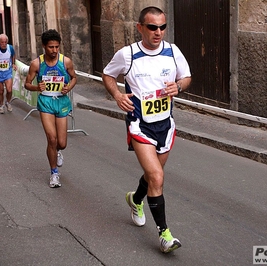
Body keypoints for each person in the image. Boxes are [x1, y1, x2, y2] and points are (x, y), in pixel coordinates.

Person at [102, 6, 191, 253]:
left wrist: (179, 87)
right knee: (158, 178)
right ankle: (165, 235)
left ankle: (135, 199)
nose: (158, 32)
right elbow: (108, 75)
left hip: (165, 124)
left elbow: (186, 77)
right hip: (140, 124)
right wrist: (118, 95)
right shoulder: (128, 54)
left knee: (154, 176)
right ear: (140, 27)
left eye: (162, 27)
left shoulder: (173, 52)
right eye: (152, 27)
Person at [24, 29, 77, 188]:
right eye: (51, 47)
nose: (54, 51)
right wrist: (36, 87)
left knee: (62, 142)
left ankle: (57, 151)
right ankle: (54, 173)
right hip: (46, 102)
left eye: (56, 47)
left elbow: (74, 77)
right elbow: (26, 84)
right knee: (51, 139)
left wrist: (69, 87)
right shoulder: (36, 64)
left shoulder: (65, 61)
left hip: (61, 102)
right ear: (44, 46)